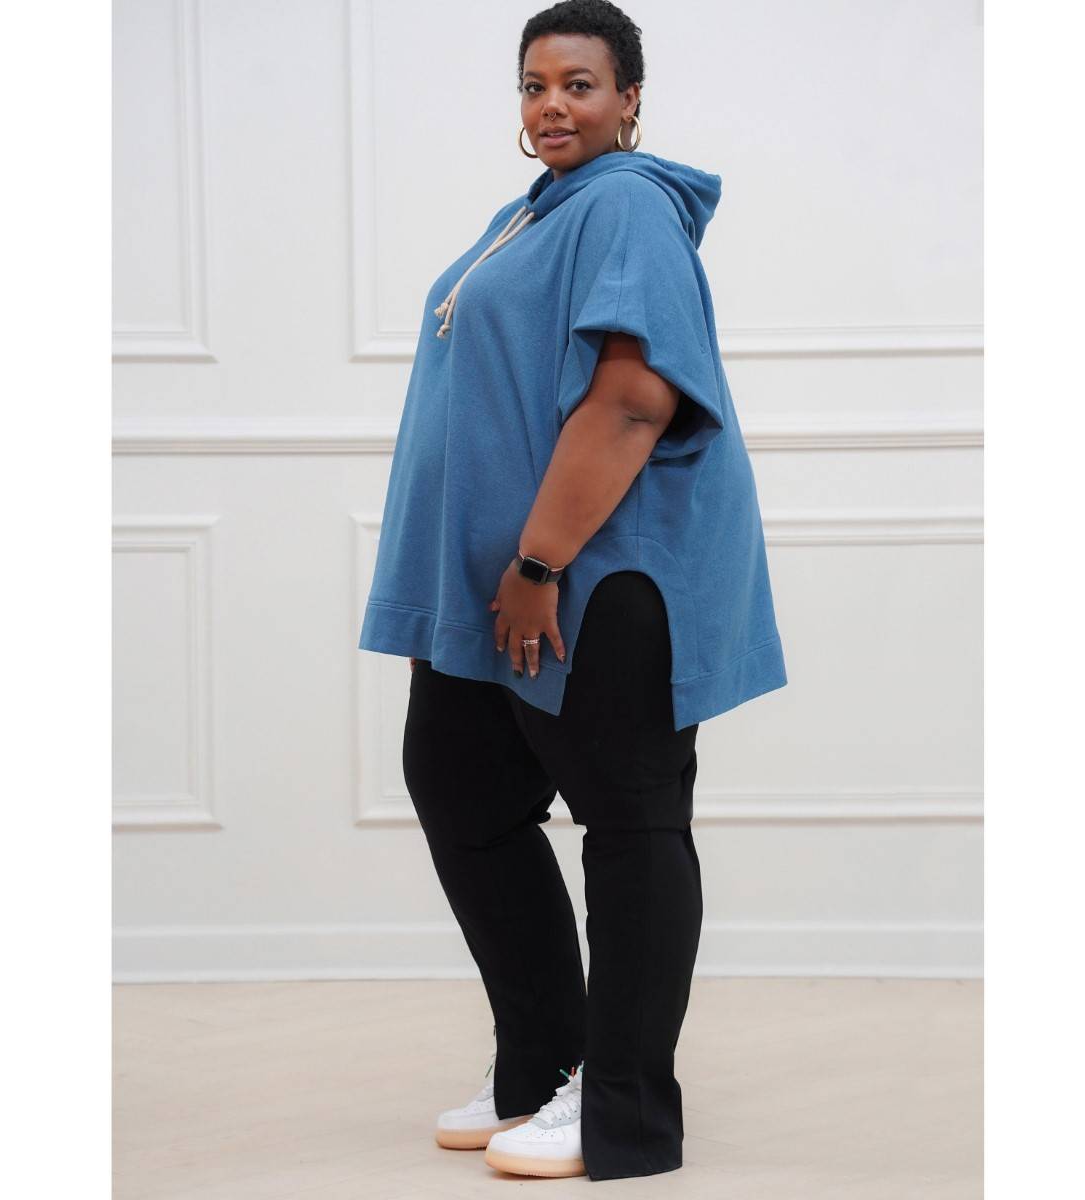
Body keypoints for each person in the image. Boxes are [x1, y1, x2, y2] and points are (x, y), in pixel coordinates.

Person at [358, 0, 787, 1182]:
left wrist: (539, 563)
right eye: (536, 84)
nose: (553, 105)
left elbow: (634, 399)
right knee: (462, 788)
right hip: (501, 583)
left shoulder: (627, 206)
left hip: (595, 578)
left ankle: (622, 1112)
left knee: (630, 822)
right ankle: (542, 1065)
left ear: (630, 99)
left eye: (581, 84)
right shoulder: (536, 210)